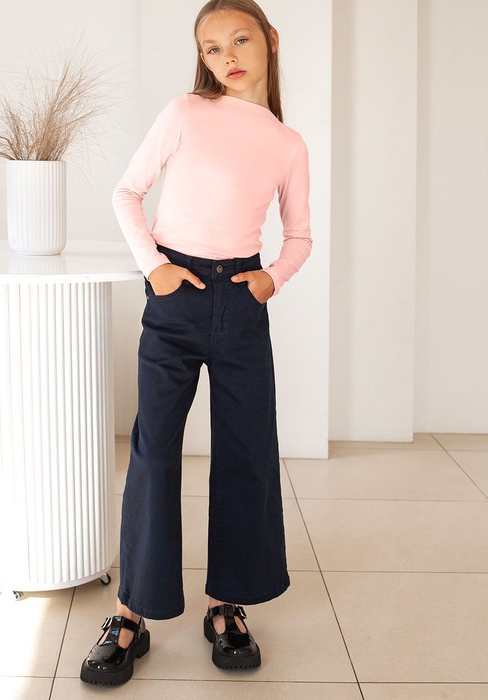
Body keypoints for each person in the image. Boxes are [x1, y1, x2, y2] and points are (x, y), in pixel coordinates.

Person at [80, 0, 312, 685]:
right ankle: (130, 613)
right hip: (175, 296)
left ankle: (226, 605)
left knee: (246, 450)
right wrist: (154, 267)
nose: (227, 56)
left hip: (241, 301)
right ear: (201, 59)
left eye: (239, 39)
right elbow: (128, 192)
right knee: (154, 449)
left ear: (270, 39)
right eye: (212, 48)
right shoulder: (185, 112)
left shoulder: (287, 142)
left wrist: (272, 278)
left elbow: (300, 235)